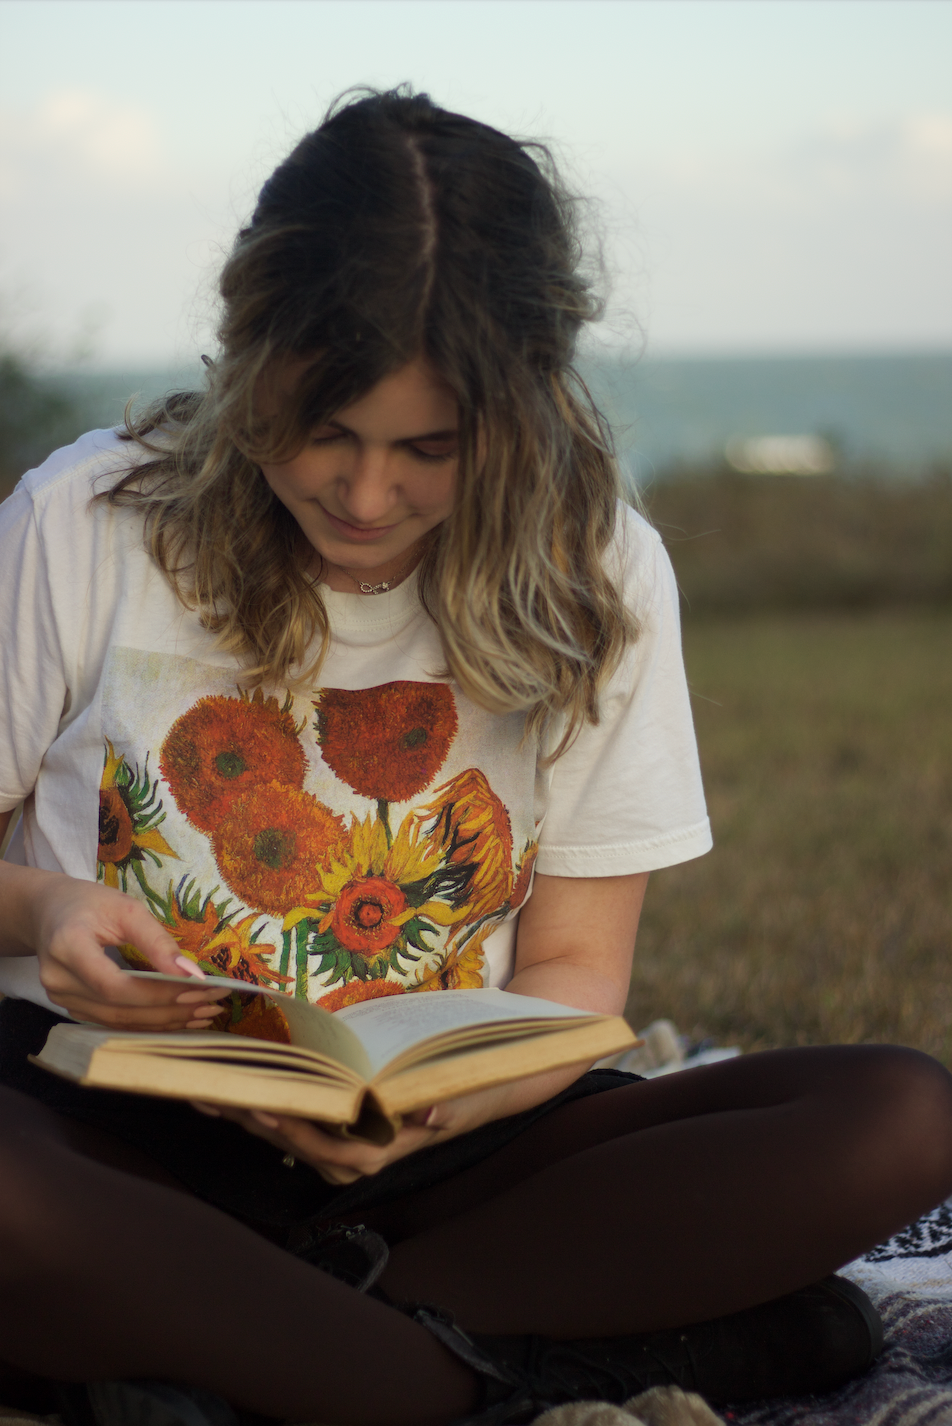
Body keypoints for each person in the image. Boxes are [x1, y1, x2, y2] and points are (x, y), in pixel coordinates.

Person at [0, 88, 950, 1426]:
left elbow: (575, 971)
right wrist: (46, 906)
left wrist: (437, 1112)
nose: (366, 494)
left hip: (443, 1162)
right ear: (247, 348)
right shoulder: (83, 523)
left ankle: (218, 1345)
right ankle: (446, 1378)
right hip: (101, 1135)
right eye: (324, 429)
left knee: (901, 1113)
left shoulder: (595, 568)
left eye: (428, 449)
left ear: (517, 410)